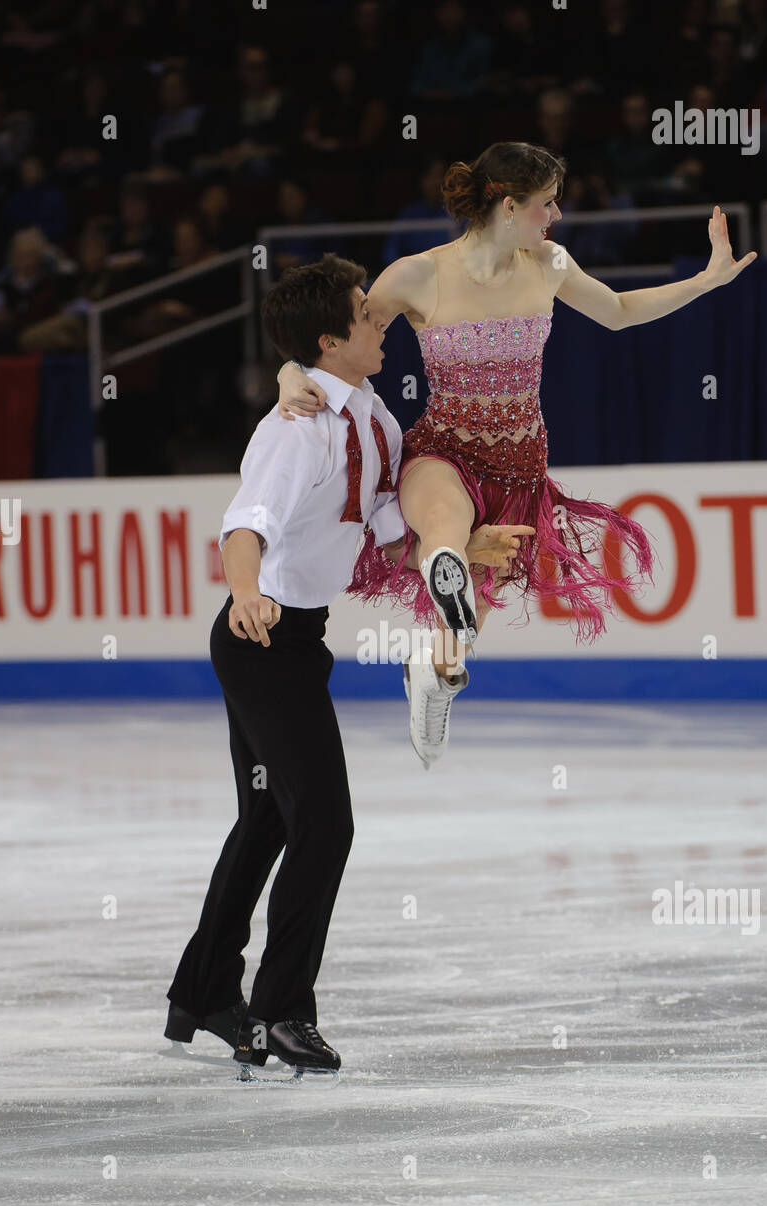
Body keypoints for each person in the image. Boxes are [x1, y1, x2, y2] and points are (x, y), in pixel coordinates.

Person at [277, 142, 757, 765]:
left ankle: (433, 675)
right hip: (443, 448)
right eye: (547, 203)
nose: (555, 215)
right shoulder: (416, 275)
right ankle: (444, 563)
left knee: (460, 637)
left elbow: (617, 311)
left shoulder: (549, 262)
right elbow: (335, 331)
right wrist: (292, 370)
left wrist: (706, 280)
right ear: (508, 205)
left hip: (520, 471)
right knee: (445, 521)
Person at [164, 252, 520, 1076]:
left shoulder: (376, 421)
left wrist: (467, 542)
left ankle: (202, 991)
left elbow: (387, 518)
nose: (381, 320)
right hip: (260, 641)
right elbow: (245, 520)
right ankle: (283, 1012)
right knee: (324, 821)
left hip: (296, 642)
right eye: (367, 313)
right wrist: (247, 591)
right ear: (330, 341)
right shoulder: (294, 428)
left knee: (269, 820)